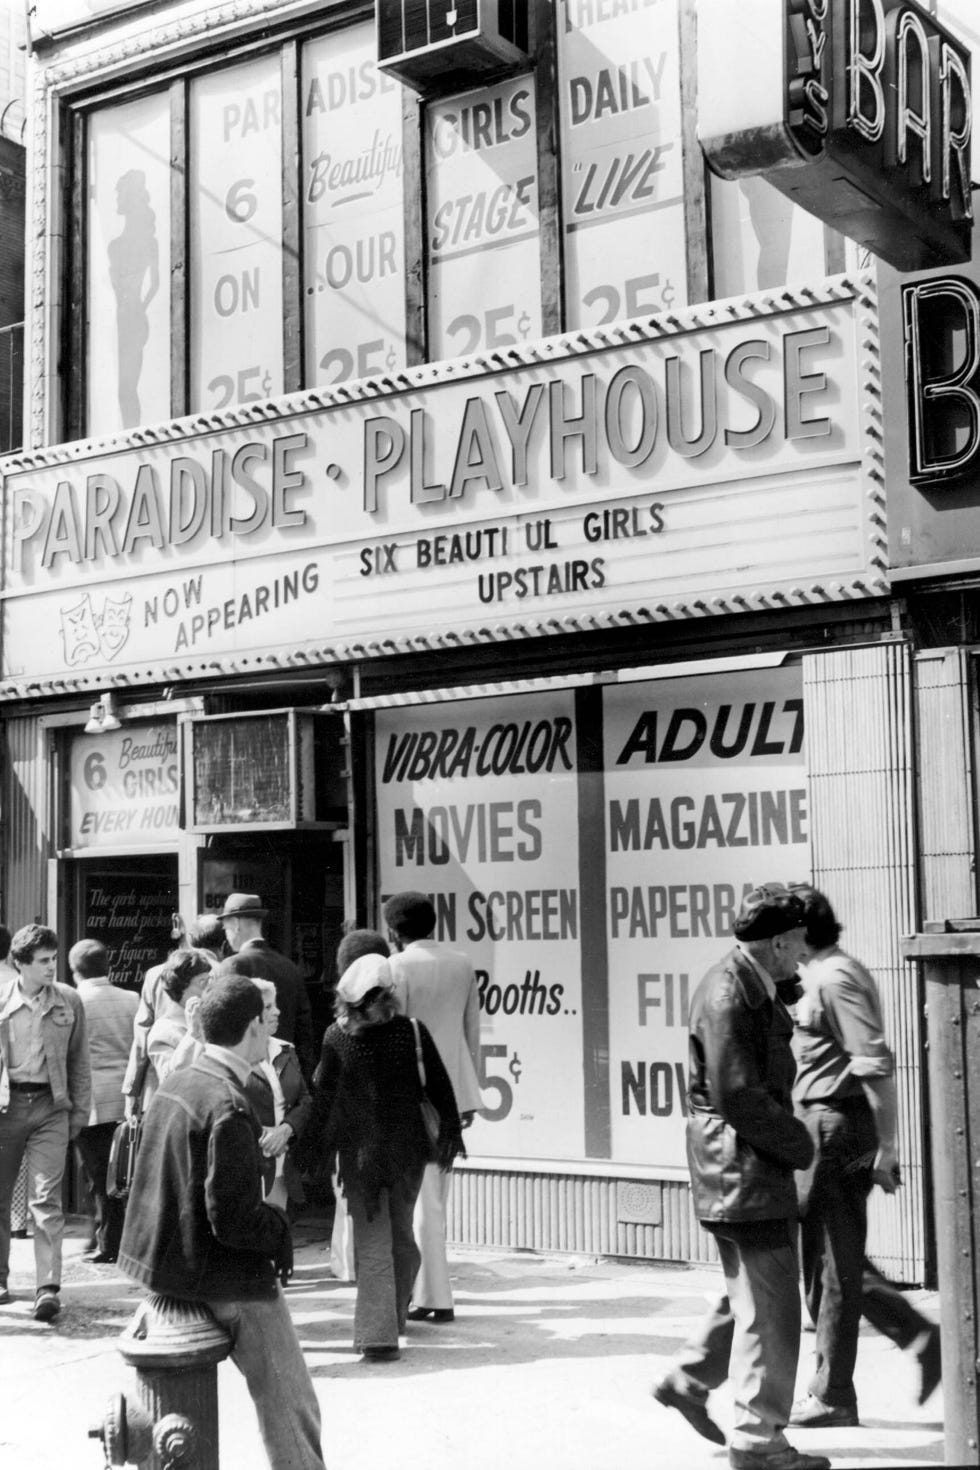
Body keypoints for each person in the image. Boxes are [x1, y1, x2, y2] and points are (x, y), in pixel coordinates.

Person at [651, 884, 830, 1470]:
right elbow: (737, 1094)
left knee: (753, 1293)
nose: (804, 953)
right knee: (772, 1310)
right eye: (800, 942)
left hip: (737, 1165)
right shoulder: (733, 990)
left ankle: (688, 1379)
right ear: (778, 942)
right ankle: (758, 1438)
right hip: (743, 1166)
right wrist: (799, 1142)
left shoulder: (747, 981)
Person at [117, 973, 326, 1470]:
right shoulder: (228, 1105)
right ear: (254, 1026)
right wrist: (278, 1232)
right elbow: (231, 1220)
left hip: (161, 1273)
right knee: (293, 1406)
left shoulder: (179, 1081)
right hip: (223, 1278)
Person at [787, 885, 941, 1428]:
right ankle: (921, 1339)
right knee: (834, 1258)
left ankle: (833, 1395)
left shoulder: (836, 978)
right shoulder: (823, 974)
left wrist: (887, 1145)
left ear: (801, 932)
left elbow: (873, 1063)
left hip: (834, 1130)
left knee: (830, 1267)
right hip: (821, 1127)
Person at [308, 952, 463, 1361]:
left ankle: (381, 1331)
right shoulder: (410, 1031)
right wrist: (449, 1132)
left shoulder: (337, 1036)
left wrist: (310, 1146)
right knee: (398, 1239)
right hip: (407, 1153)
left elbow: (324, 1099)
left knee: (376, 1243)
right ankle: (387, 1323)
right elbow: (442, 1089)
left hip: (363, 1157)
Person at [383, 891, 482, 1322]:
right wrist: (469, 1091)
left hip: (411, 1094)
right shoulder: (462, 963)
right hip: (454, 1093)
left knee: (420, 1200)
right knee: (436, 1195)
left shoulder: (396, 968)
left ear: (393, 930)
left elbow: (393, 1037)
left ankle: (434, 1296)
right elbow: (471, 1032)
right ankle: (434, 1295)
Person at [0, 923, 91, 1321]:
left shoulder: (69, 1001)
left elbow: (80, 1063)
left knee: (45, 1199)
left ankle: (47, 1288)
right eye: (43, 961)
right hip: (5, 1106)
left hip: (51, 1107)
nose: (52, 967)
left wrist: (78, 1116)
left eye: (55, 959)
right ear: (19, 964)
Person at [70, 938, 138, 1263]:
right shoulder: (131, 999)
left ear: (74, 971)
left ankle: (107, 1242)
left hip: (91, 1100)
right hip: (126, 1099)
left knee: (98, 1174)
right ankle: (116, 1235)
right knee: (125, 1171)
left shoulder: (74, 1000)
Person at [122, 914, 224, 1119]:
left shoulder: (154, 974)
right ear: (224, 945)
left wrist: (132, 1089)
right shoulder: (223, 972)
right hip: (177, 1072)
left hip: (159, 1090)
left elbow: (141, 1035)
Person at [217, 894, 315, 1078]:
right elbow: (304, 1032)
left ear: (236, 923)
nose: (226, 933)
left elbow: (224, 1028)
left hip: (247, 1078)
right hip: (286, 1075)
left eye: (226, 927)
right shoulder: (290, 967)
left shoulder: (232, 966)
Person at [244, 979, 312, 1214]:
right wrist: (264, 1137)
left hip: (284, 1165)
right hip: (250, 1165)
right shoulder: (235, 1056)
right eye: (269, 1007)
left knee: (277, 1236)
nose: (278, 1011)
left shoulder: (286, 1049)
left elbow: (305, 1100)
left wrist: (286, 1130)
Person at [146, 950, 213, 1088]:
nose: (209, 988)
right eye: (202, 982)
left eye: (209, 980)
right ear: (181, 986)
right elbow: (170, 1079)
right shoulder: (164, 1031)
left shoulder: (212, 1018)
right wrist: (193, 1034)